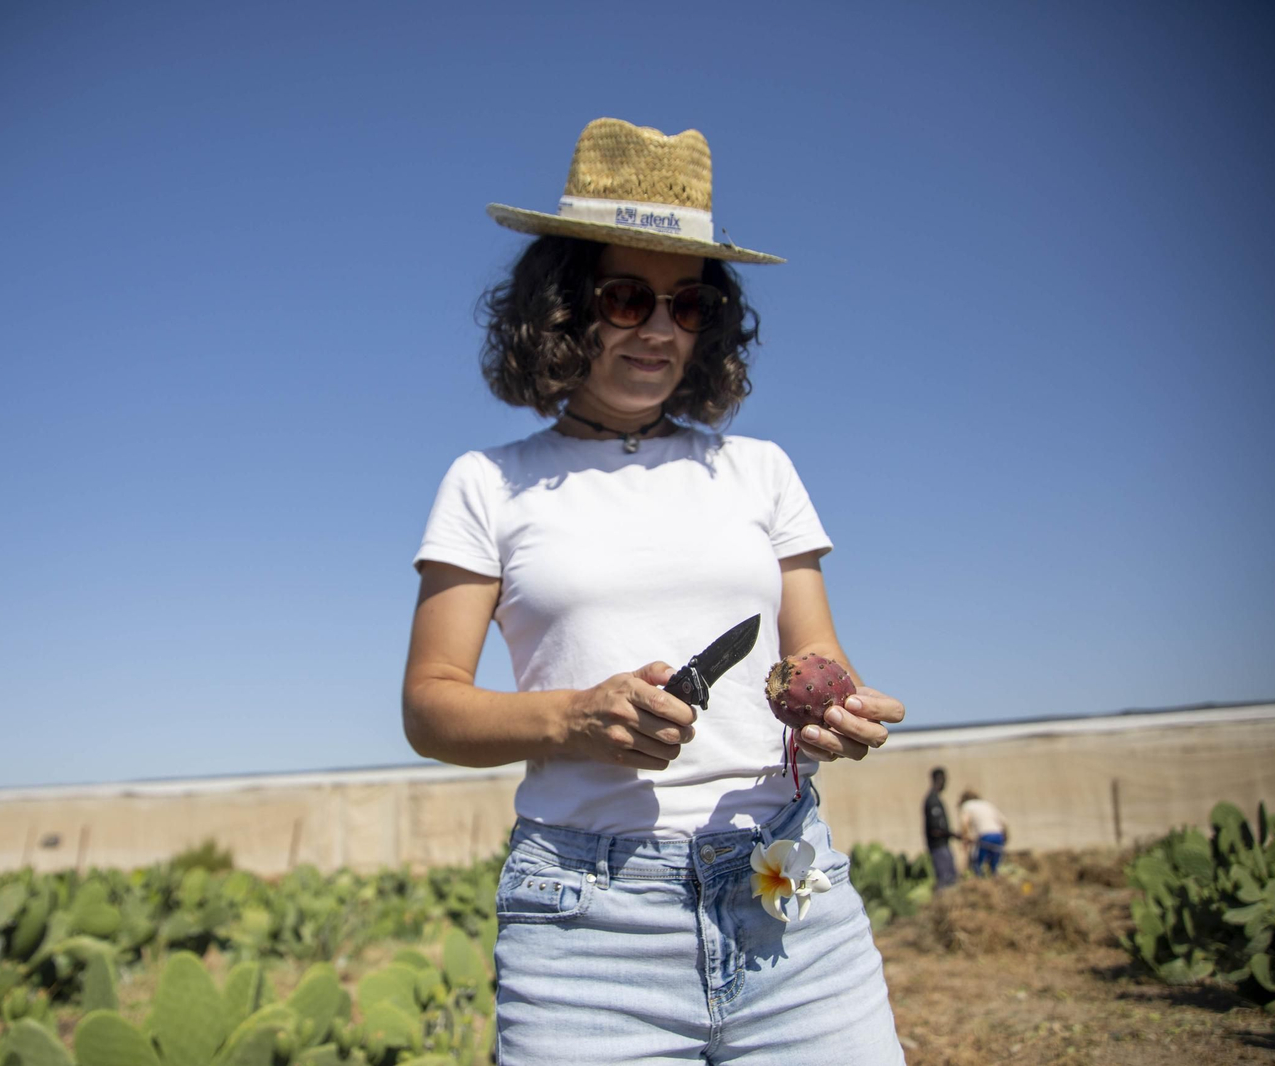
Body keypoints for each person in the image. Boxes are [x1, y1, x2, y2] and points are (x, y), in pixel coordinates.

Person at [403, 118, 907, 1064]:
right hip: (587, 921)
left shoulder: (761, 470)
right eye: (629, 299)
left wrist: (834, 708)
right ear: (562, 309)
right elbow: (430, 709)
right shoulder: (488, 482)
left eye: (691, 305)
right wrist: (572, 720)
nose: (663, 329)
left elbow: (816, 656)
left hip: (786, 888)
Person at [958, 788, 1009, 876]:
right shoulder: (987, 804)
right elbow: (1005, 823)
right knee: (994, 866)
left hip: (985, 837)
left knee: (977, 863)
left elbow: (964, 823)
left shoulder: (967, 805)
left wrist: (965, 838)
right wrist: (1005, 839)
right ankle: (995, 882)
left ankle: (980, 884)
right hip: (998, 836)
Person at [923, 767, 959, 889]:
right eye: (943, 779)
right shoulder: (932, 800)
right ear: (938, 779)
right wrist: (953, 835)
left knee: (952, 879)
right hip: (938, 847)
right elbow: (935, 829)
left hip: (943, 845)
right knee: (946, 881)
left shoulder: (936, 799)